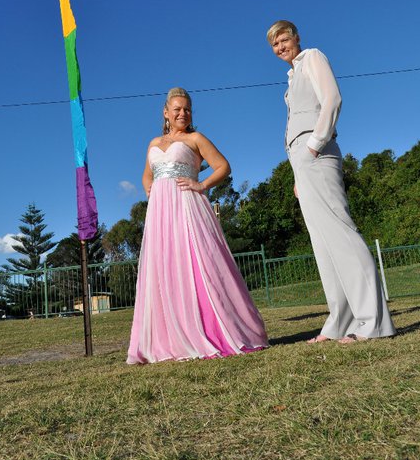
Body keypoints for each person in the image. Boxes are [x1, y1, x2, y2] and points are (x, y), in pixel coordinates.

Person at [267, 20, 396, 344]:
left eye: (284, 39)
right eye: (275, 44)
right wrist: (298, 172)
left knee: (341, 233)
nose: (281, 47)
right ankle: (340, 321)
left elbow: (332, 99)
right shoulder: (291, 78)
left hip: (317, 150)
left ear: (296, 38)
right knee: (323, 245)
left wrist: (314, 146)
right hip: (302, 162)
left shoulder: (312, 57)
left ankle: (373, 322)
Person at [127, 87, 269, 364]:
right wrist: (152, 192)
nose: (183, 113)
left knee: (199, 263)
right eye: (177, 109)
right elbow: (146, 176)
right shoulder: (153, 143)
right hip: (160, 214)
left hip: (188, 206)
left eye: (187, 109)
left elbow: (223, 166)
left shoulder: (195, 138)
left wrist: (201, 184)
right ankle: (169, 339)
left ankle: (215, 329)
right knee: (166, 267)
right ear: (166, 113)